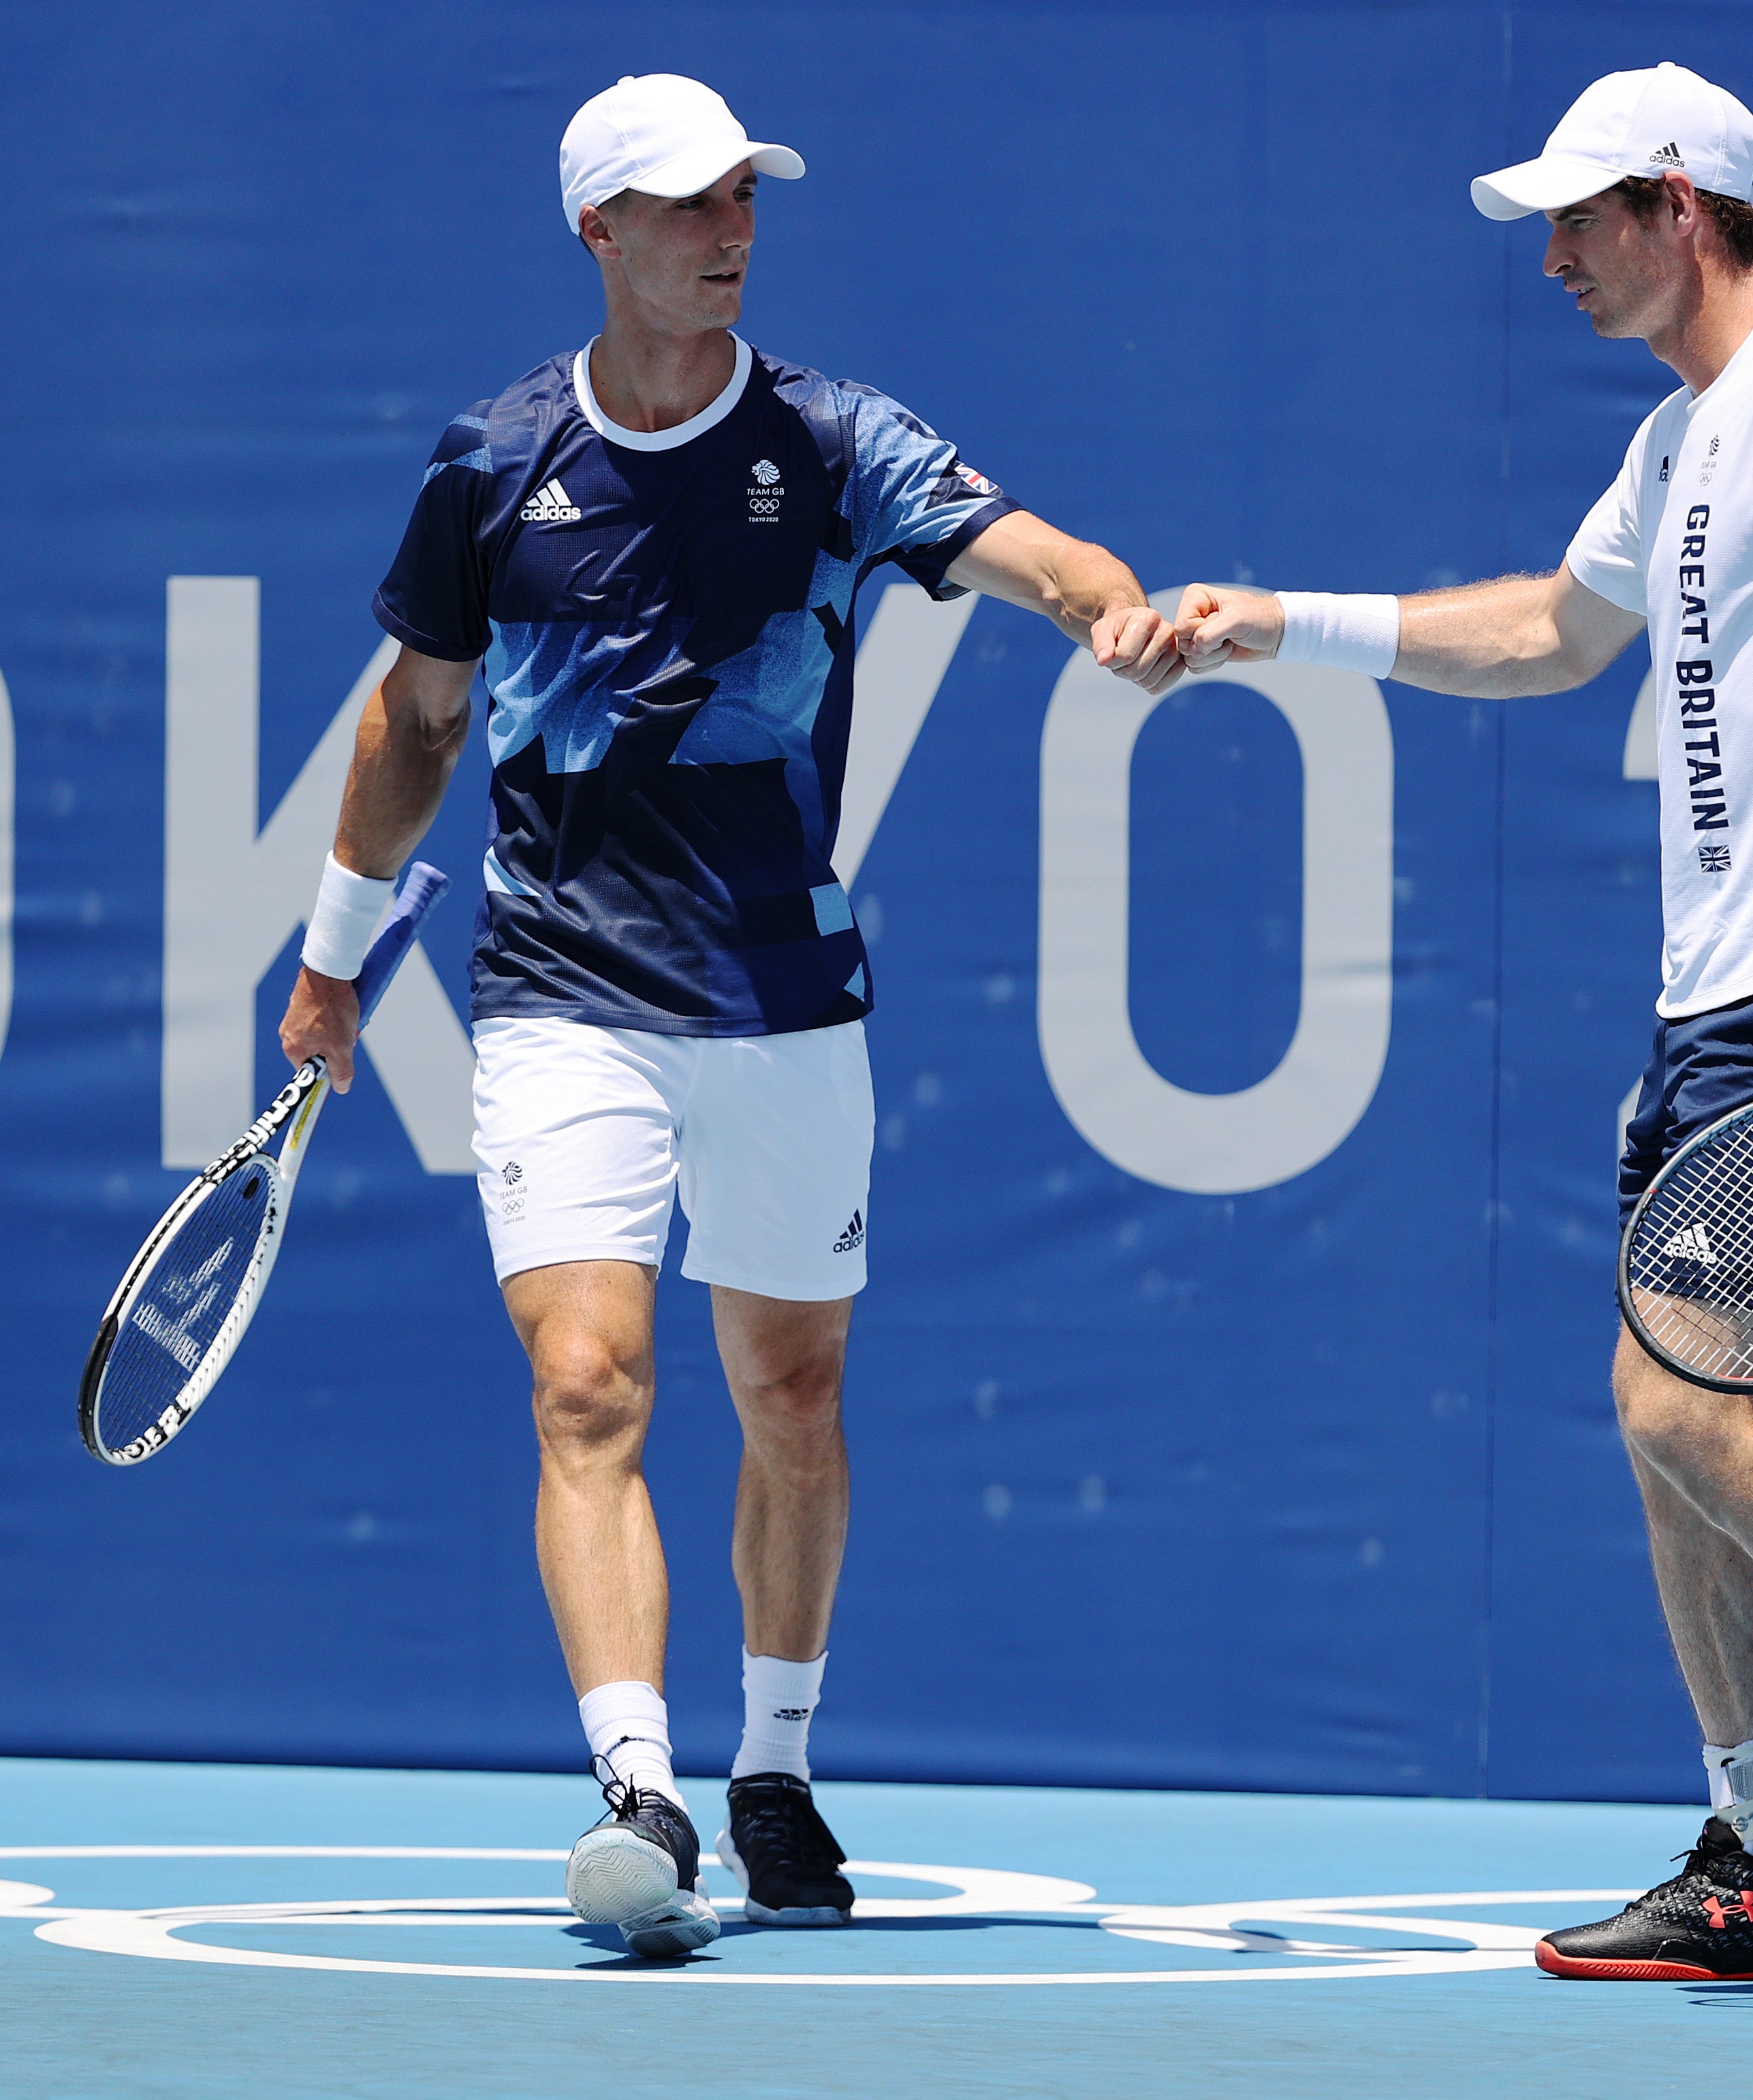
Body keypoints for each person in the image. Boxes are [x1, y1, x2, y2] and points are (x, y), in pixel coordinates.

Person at [1173, 62, 1753, 1982]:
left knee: (1669, 1397)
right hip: (1710, 1007)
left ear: (1679, 205)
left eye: (1580, 219)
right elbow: (1547, 630)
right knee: (1675, 1432)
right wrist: (1278, 621)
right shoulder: (1682, 440)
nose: (1551, 259)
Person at [279, 71, 1182, 1960]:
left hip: (782, 994)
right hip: (554, 993)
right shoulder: (491, 465)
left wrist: (1103, 606)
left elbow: (1022, 547)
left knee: (791, 1390)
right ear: (597, 231)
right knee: (587, 1380)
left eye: (741, 198)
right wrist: (335, 951)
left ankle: (771, 1758)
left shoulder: (836, 438)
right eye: (686, 205)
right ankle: (642, 1791)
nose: (730, 228)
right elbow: (416, 721)